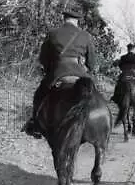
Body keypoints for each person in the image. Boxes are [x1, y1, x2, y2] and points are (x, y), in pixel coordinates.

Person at [23, 9, 96, 138]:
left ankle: (35, 124)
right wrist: (88, 69)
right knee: (94, 95)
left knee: (39, 94)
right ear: (77, 21)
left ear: (64, 19)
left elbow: (43, 58)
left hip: (58, 73)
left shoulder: (53, 33)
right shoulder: (86, 35)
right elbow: (91, 62)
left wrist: (49, 69)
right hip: (80, 73)